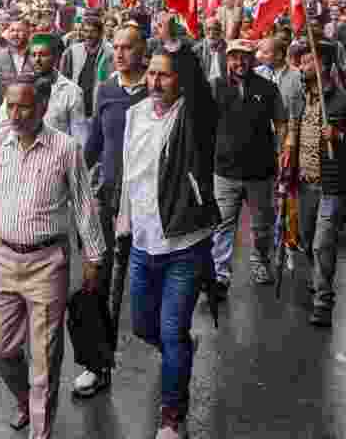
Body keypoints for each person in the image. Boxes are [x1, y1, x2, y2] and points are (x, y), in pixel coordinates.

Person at [0, 75, 104, 438]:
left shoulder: (65, 148)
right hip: (2, 259)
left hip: (47, 262)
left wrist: (93, 256)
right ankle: (26, 400)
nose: (15, 113)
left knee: (43, 359)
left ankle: (40, 430)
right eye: (10, 105)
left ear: (42, 107)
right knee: (0, 349)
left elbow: (85, 206)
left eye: (24, 105)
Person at [119, 50, 221, 439]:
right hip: (144, 244)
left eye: (164, 75)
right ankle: (177, 355)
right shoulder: (136, 115)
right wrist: (123, 220)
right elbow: (130, 170)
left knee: (173, 329)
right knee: (145, 327)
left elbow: (199, 90)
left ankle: (172, 416)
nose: (154, 82)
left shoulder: (193, 116)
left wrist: (175, 40)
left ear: (180, 80)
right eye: (151, 74)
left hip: (184, 245)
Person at [73, 24, 150, 398]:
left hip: (150, 202)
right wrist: (76, 180)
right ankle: (97, 364)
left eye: (128, 47)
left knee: (148, 281)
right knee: (99, 281)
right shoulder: (105, 90)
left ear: (143, 50)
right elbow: (94, 143)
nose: (119, 54)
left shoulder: (158, 88)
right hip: (110, 196)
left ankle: (170, 343)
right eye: (116, 47)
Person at [290, 48, 346, 327]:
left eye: (307, 60)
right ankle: (317, 278)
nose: (301, 65)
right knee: (307, 239)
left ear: (323, 65)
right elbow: (292, 135)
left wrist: (340, 135)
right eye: (299, 61)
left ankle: (323, 300)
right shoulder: (299, 99)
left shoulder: (345, 100)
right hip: (303, 184)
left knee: (324, 243)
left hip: (331, 185)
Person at [210, 39, 286, 291]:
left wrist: (284, 150)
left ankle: (260, 261)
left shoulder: (268, 88)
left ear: (252, 59)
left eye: (244, 56)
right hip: (225, 171)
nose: (239, 62)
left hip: (260, 172)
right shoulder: (216, 87)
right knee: (222, 225)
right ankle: (220, 274)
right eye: (234, 56)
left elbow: (281, 122)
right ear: (227, 59)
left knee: (262, 225)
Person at [59, 14, 112, 123]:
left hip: (99, 109)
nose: (88, 35)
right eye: (86, 31)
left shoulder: (109, 53)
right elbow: (63, 79)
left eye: (92, 31)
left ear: (100, 33)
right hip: (77, 109)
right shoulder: (72, 51)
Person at [0, 18, 32, 119]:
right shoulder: (2, 55)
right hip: (6, 110)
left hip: (30, 110)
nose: (15, 34)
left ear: (28, 33)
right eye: (12, 31)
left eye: (19, 31)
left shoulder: (35, 54)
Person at [255, 36, 304, 122]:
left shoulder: (297, 76)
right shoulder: (257, 73)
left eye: (265, 53)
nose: (260, 56)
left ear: (279, 55)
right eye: (260, 52)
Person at [195, 18, 228, 83]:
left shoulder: (227, 48)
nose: (211, 33)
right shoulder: (197, 49)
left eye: (215, 29)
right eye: (208, 29)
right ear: (204, 31)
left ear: (220, 31)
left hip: (224, 85)